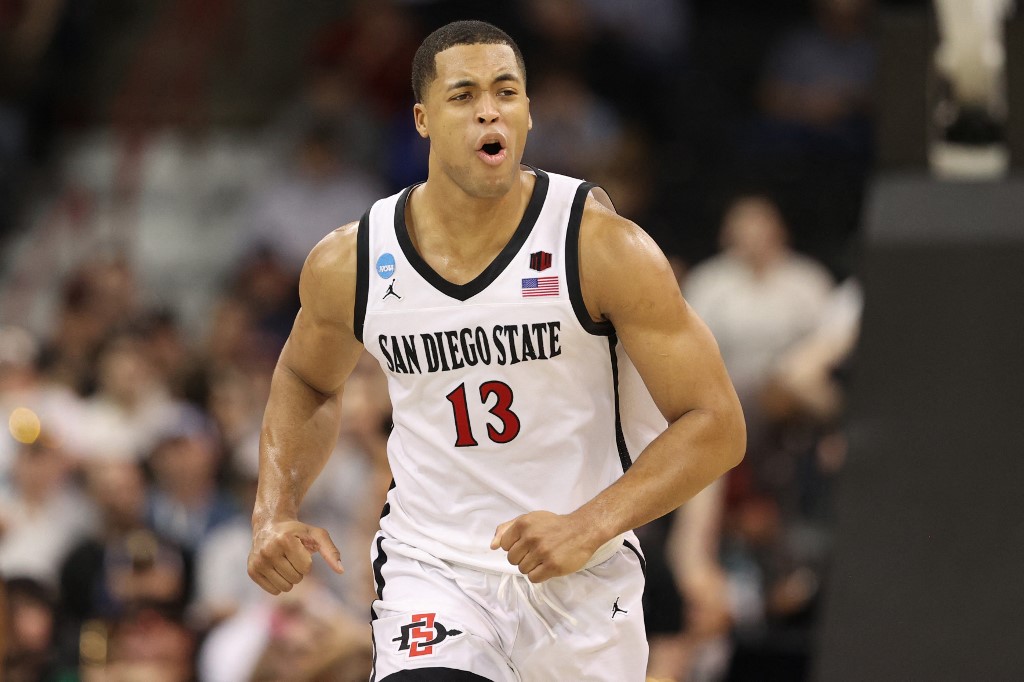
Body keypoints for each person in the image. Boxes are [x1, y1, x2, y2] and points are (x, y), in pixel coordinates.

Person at [248, 20, 745, 681]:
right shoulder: (356, 261)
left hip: (581, 579)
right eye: (464, 94)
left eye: (506, 91)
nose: (489, 109)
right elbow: (307, 380)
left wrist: (588, 525)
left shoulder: (600, 246)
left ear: (528, 113)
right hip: (435, 570)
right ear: (422, 119)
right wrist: (274, 510)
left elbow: (717, 424)